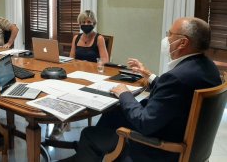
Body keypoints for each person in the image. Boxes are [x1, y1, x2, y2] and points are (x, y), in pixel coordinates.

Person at [67, 17, 222, 162]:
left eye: (170, 34)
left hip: (157, 149)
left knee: (88, 134)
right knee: (113, 112)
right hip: (175, 130)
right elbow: (176, 93)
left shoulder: (177, 77)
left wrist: (125, 93)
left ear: (182, 43)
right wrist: (150, 76)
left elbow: (144, 123)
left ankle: (91, 149)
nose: (167, 39)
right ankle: (92, 152)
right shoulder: (207, 67)